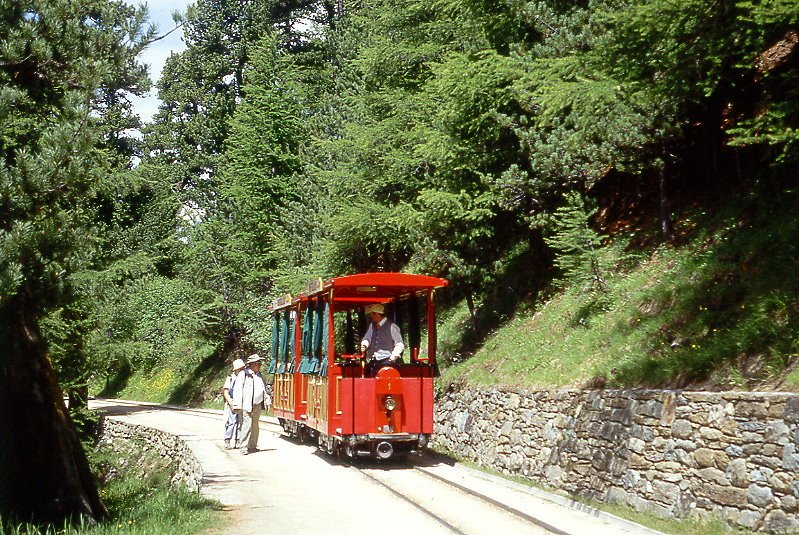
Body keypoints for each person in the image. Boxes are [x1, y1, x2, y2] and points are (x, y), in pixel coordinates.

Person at [233, 353, 266, 455]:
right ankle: (243, 446)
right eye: (257, 363)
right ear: (252, 364)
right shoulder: (244, 374)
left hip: (257, 405)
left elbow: (263, 389)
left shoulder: (259, 375)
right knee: (247, 425)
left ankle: (252, 446)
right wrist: (237, 405)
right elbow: (238, 389)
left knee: (255, 426)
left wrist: (267, 400)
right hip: (247, 405)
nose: (259, 365)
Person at [360, 303, 404, 375]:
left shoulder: (391, 326)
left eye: (372, 314)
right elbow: (367, 337)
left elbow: (399, 344)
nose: (371, 316)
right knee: (368, 373)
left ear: (377, 314)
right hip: (375, 359)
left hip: (387, 360)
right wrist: (364, 344)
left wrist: (392, 358)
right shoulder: (372, 325)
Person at [222, 358, 245, 449]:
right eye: (240, 368)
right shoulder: (230, 378)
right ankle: (227, 439)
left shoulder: (244, 378)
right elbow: (225, 391)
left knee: (240, 423)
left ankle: (238, 440)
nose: (242, 370)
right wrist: (230, 401)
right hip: (232, 402)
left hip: (241, 402)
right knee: (231, 422)